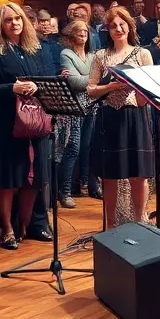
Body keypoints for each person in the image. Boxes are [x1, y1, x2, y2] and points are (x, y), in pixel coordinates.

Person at [0, 2, 52, 250]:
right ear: (1, 24)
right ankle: (7, 228)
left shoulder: (36, 49)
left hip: (35, 123)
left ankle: (25, 224)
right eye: (9, 20)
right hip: (5, 124)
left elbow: (48, 80)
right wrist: (14, 88)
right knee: (8, 179)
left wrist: (36, 87)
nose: (15, 23)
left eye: (18, 18)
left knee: (33, 179)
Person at [87, 7, 156, 228]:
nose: (118, 29)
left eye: (122, 24)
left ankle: (140, 221)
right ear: (107, 30)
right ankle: (111, 224)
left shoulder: (142, 54)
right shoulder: (101, 55)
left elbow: (152, 87)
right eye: (113, 26)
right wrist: (111, 86)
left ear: (129, 26)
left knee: (139, 174)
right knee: (110, 175)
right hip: (109, 116)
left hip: (135, 114)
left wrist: (137, 89)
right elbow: (90, 89)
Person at [56, 19, 93, 208]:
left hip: (92, 105)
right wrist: (93, 79)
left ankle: (86, 185)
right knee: (73, 149)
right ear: (72, 35)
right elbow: (74, 83)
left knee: (89, 147)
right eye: (79, 31)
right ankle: (65, 191)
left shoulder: (92, 55)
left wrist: (83, 78)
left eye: (85, 31)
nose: (83, 34)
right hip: (73, 108)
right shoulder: (66, 53)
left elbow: (83, 80)